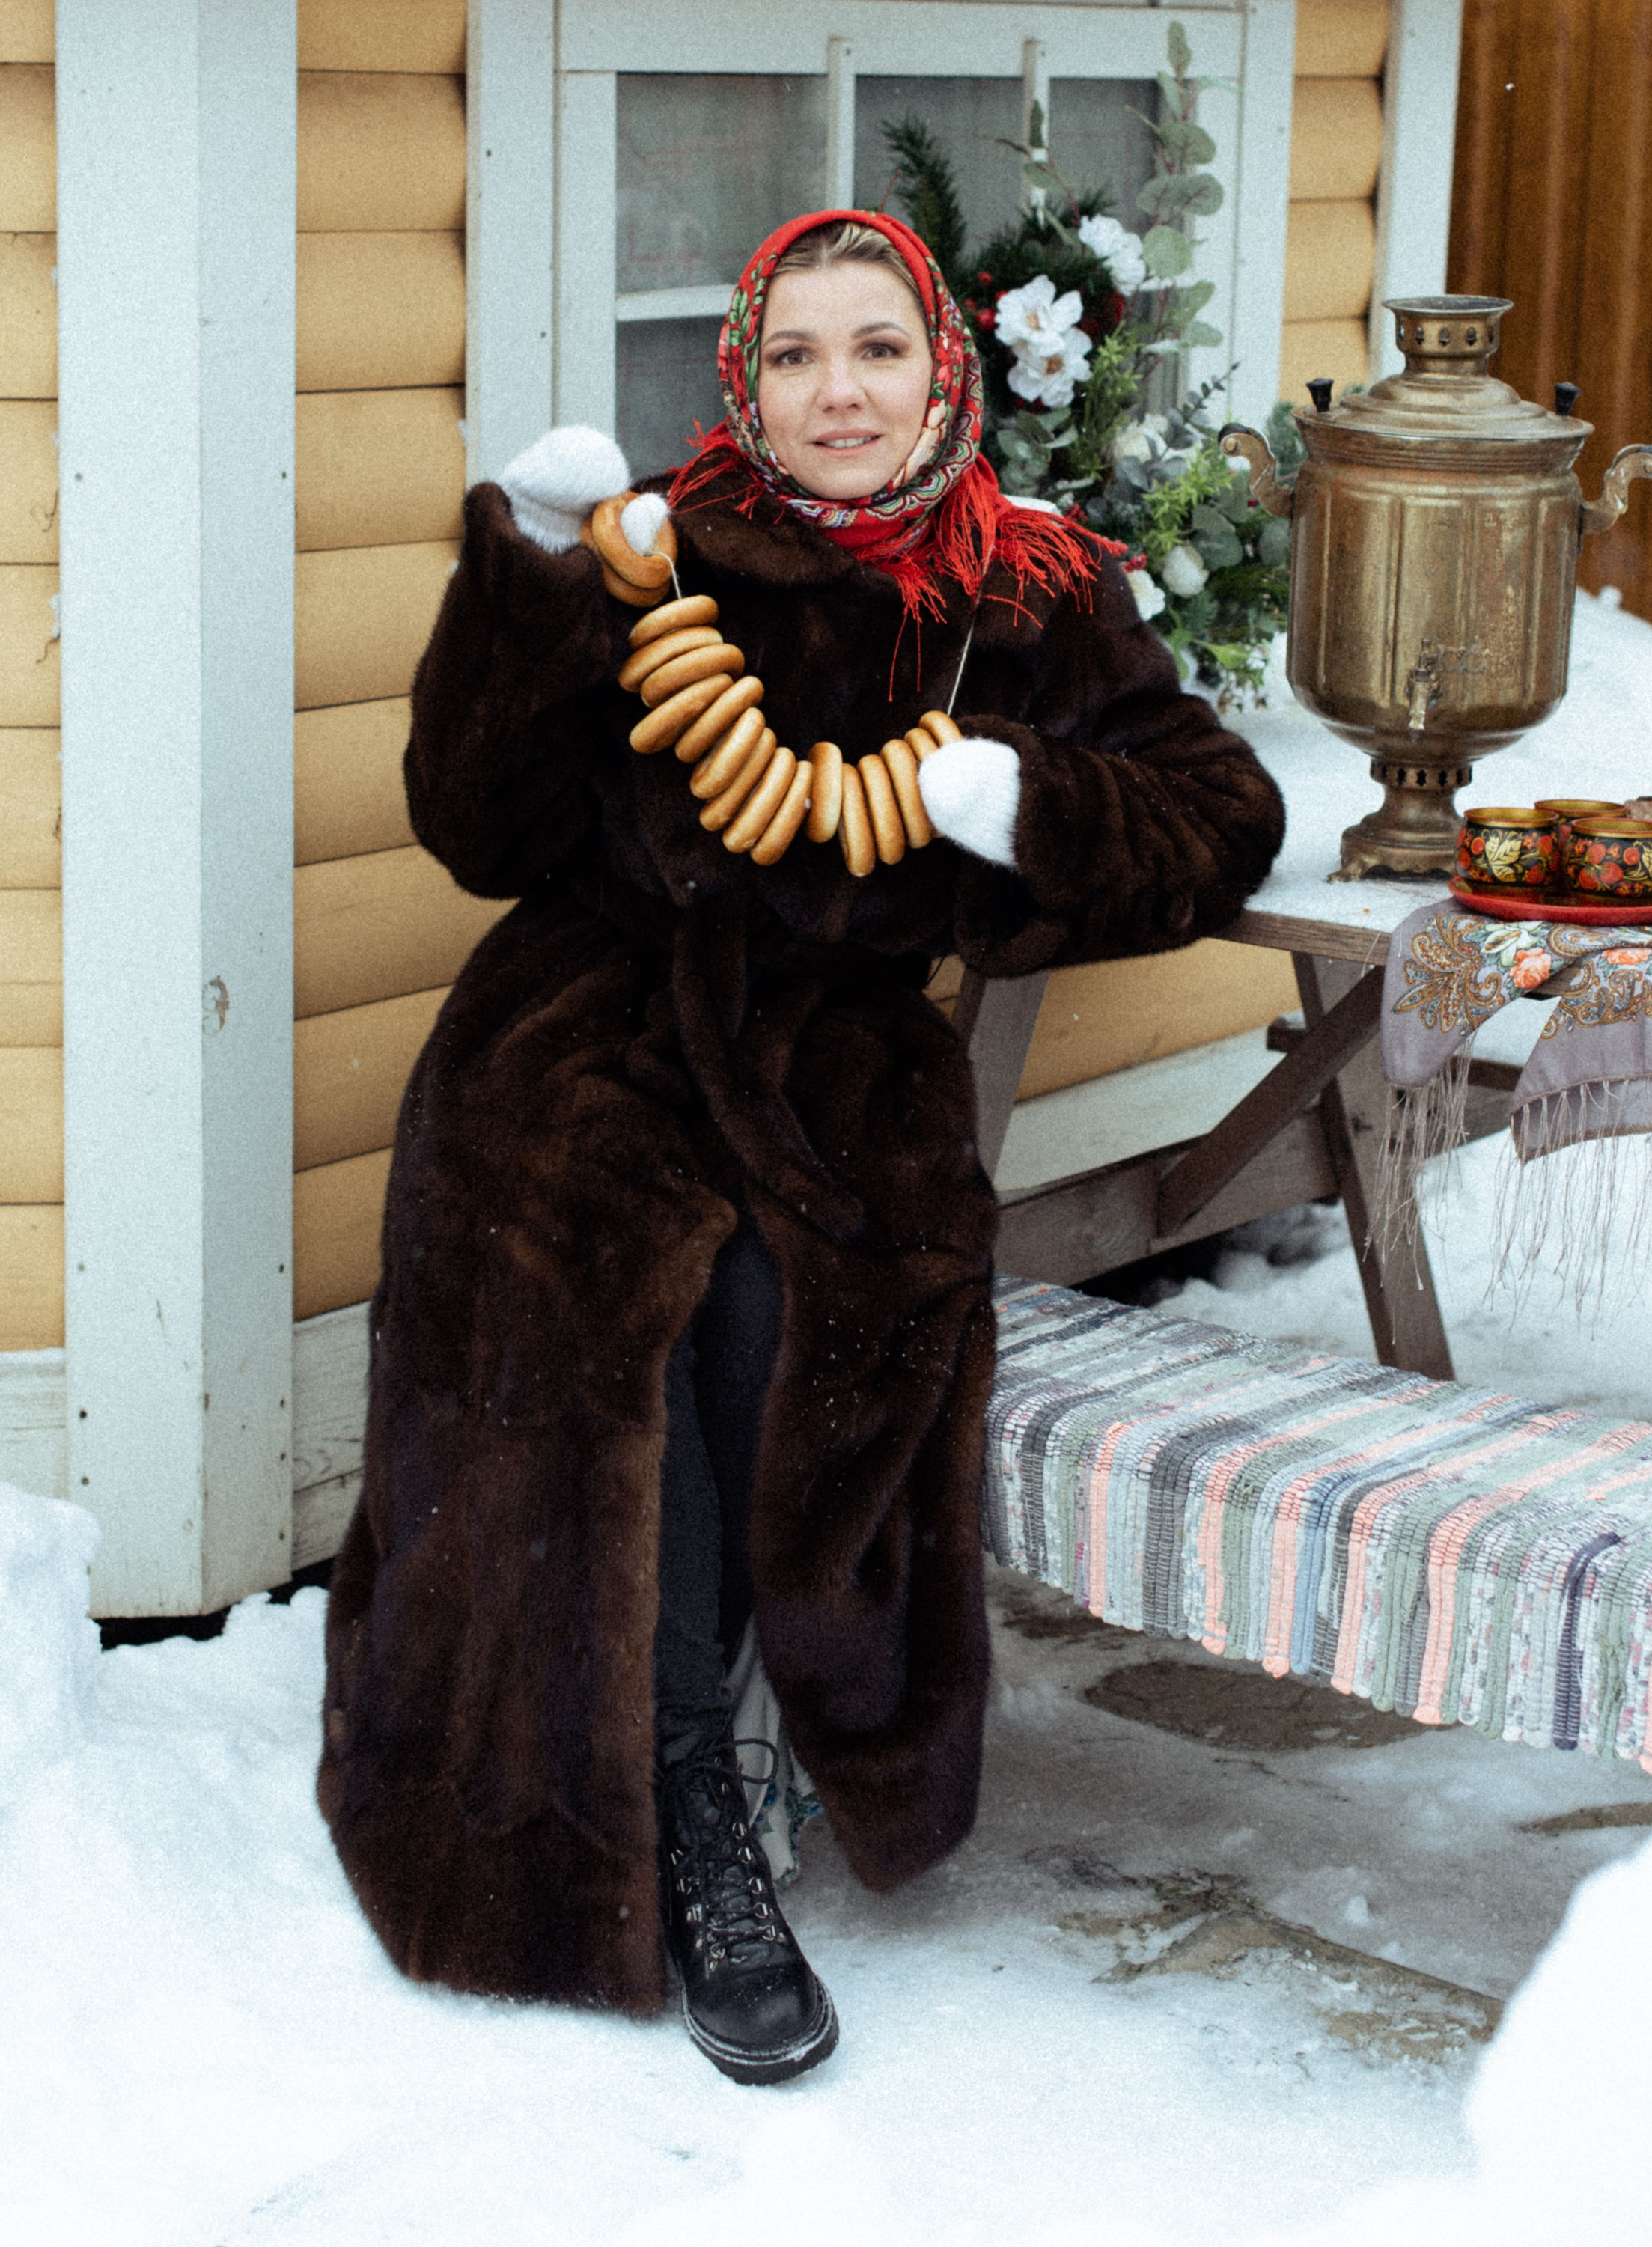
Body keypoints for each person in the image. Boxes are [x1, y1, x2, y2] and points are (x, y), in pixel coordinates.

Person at [317, 209, 1286, 2085]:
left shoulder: (1035, 594)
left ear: (944, 370)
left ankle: (779, 1724)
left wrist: (1015, 796)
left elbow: (1213, 814)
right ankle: (674, 1797)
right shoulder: (662, 548)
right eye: (794, 355)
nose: (835, 391)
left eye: (876, 350)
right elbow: (473, 823)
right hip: (586, 1019)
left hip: (839, 1063)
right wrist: (529, 574)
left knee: (798, 1311)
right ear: (742, 379)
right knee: (600, 1293)